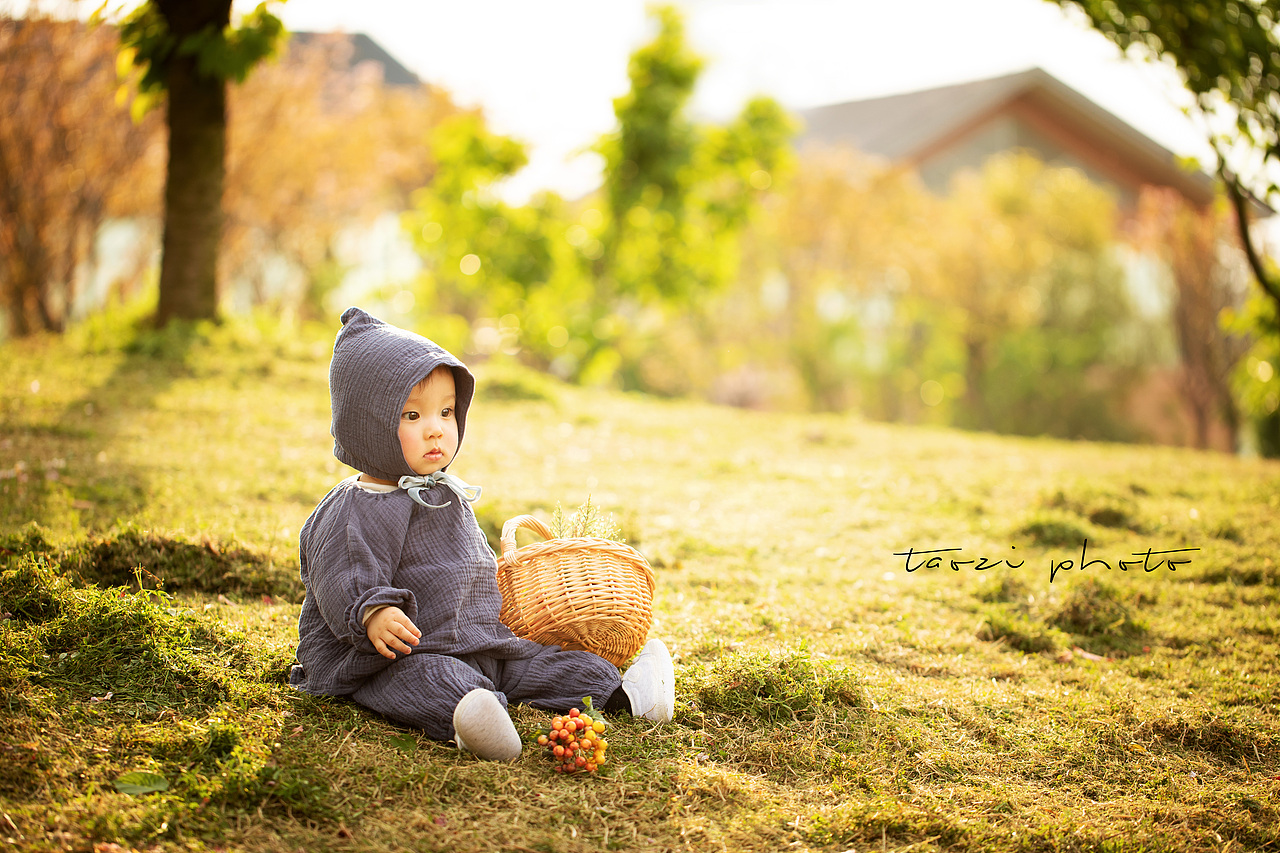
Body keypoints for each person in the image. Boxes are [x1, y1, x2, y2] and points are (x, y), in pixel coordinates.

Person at [290, 307, 674, 761]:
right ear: (367, 425)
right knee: (429, 681)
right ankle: (472, 716)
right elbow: (341, 572)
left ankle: (622, 694)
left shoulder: (446, 493)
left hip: (478, 640)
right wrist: (373, 612)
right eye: (412, 415)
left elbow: (469, 561)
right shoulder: (354, 507)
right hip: (393, 654)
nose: (436, 429)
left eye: (446, 412)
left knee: (539, 662)